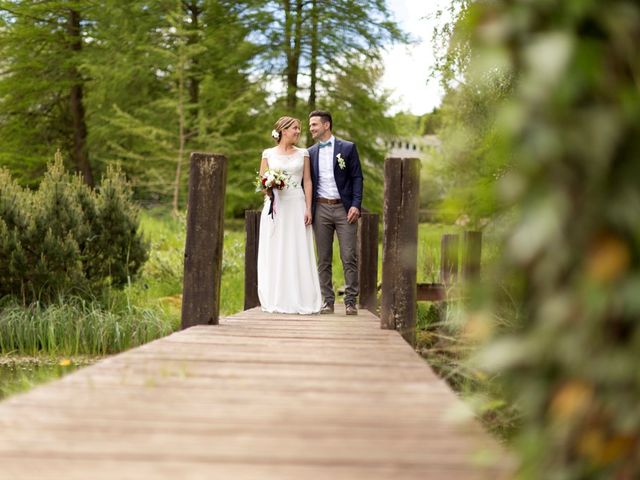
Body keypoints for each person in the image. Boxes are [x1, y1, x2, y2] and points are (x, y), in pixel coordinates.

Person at [257, 116, 322, 314]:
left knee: (297, 248)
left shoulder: (303, 153)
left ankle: (300, 297)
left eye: (299, 129)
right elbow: (262, 181)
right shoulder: (268, 153)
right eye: (295, 128)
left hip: (297, 205)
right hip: (276, 207)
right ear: (284, 130)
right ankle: (277, 296)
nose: (298, 132)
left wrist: (308, 208)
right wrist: (269, 187)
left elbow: (308, 182)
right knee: (276, 249)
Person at [308, 111, 363, 315]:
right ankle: (327, 301)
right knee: (323, 258)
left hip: (344, 209)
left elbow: (357, 177)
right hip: (320, 208)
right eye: (310, 125)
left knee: (349, 255)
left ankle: (350, 301)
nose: (311, 128)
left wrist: (356, 204)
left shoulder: (347, 148)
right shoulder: (310, 152)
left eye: (314, 124)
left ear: (326, 125)